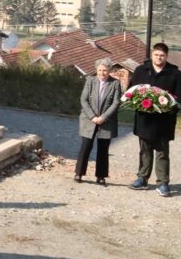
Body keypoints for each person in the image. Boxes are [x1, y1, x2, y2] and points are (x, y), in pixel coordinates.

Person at [129, 43, 181, 197]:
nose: (159, 58)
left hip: (164, 120)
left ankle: (163, 183)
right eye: (156, 55)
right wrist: (138, 103)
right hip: (144, 119)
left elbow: (179, 98)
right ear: (152, 54)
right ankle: (142, 178)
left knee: (162, 152)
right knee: (144, 150)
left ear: (166, 56)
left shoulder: (175, 74)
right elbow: (131, 92)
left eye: (162, 55)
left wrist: (168, 106)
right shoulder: (140, 70)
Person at [74, 58, 121, 185]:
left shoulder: (115, 83)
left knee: (103, 149)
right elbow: (83, 100)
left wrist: (103, 117)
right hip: (89, 119)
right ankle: (79, 173)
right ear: (96, 70)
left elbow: (116, 102)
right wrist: (92, 117)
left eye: (105, 70)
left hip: (107, 121)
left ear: (109, 70)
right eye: (100, 70)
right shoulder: (90, 80)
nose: (102, 73)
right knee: (85, 146)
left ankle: (101, 176)